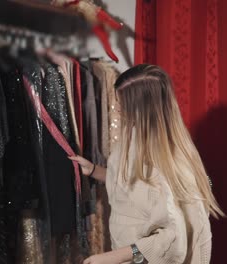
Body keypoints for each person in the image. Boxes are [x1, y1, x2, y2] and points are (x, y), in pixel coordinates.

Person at [70, 64, 224, 264]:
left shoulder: (152, 161)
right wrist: (93, 170)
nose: (116, 108)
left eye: (120, 102)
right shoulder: (154, 143)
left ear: (138, 108)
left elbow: (171, 239)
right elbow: (134, 188)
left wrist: (110, 258)